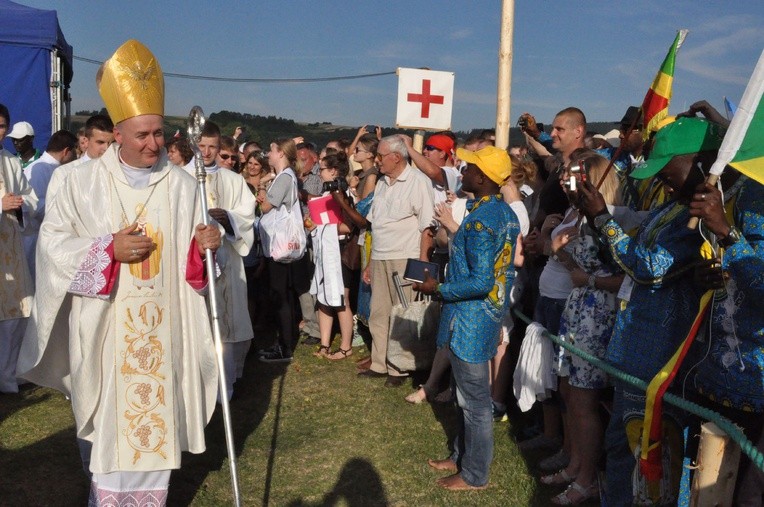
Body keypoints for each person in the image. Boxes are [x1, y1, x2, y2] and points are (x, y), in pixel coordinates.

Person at [16, 39, 222, 505]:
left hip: (163, 329)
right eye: (143, 135)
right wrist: (108, 249)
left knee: (154, 423)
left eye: (160, 134)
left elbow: (198, 264)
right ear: (120, 132)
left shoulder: (185, 185)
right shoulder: (78, 180)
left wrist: (206, 247)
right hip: (106, 327)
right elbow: (52, 247)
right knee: (110, 428)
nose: (154, 144)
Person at [576, 116, 725, 505]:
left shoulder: (702, 217)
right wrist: (598, 219)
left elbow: (649, 268)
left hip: (662, 356)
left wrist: (603, 219)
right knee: (622, 446)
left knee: (653, 454)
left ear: (701, 162)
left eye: (668, 169)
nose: (661, 179)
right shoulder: (673, 208)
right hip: (635, 346)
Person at [418, 145, 520, 491]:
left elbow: (480, 281)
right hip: (485, 315)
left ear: (483, 177)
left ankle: (475, 475)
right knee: (466, 394)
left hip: (472, 320)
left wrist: (438, 288)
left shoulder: (480, 221)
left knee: (475, 402)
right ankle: (461, 456)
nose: (462, 169)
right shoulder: (503, 213)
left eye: (469, 166)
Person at [360, 135, 435, 387]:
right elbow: (376, 226)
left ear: (397, 157)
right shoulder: (382, 183)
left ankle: (399, 368)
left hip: (405, 256)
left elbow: (427, 226)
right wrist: (370, 262)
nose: (377, 160)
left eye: (381, 156)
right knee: (378, 313)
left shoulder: (418, 182)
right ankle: (379, 363)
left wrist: (422, 261)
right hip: (381, 256)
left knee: (402, 314)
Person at [195, 121, 256, 400]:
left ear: (220, 148)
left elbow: (247, 215)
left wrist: (228, 218)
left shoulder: (233, 180)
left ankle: (224, 387)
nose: (207, 152)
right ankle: (196, 384)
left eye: (213, 147)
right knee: (197, 323)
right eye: (202, 146)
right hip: (194, 263)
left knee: (226, 323)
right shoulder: (180, 177)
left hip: (227, 260)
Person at [0, 102, 39, 394]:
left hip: (9, 248)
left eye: (2, 126)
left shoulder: (11, 162)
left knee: (14, 315)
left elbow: (30, 196)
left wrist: (22, 206)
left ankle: (7, 375)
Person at [256, 137, 305, 363]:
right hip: (280, 245)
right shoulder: (285, 177)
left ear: (281, 154)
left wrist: (262, 188)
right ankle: (285, 341)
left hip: (279, 246)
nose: (268, 154)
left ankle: (285, 346)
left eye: (272, 150)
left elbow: (265, 206)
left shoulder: (284, 178)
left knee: (280, 296)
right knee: (282, 294)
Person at [310, 152, 361, 360]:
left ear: (333, 171)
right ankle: (324, 343)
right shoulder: (325, 193)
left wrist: (322, 226)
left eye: (321, 169)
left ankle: (346, 346)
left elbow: (348, 226)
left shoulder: (344, 195)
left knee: (342, 299)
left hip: (341, 251)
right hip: (325, 249)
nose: (319, 173)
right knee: (323, 297)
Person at [21, 129, 77, 279]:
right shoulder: (40, 169)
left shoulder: (55, 168)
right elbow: (35, 205)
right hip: (34, 237)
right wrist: (65, 212)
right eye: (75, 152)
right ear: (66, 151)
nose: (76, 156)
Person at [46, 114, 115, 212]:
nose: (106, 148)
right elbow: (53, 215)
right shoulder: (64, 174)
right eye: (100, 142)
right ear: (86, 141)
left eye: (111, 143)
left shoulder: (119, 172)